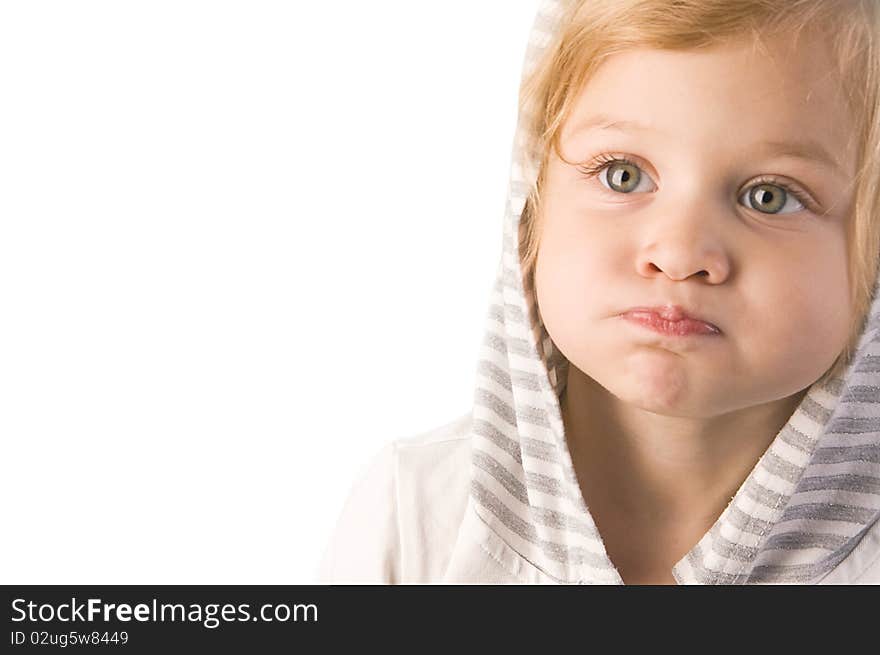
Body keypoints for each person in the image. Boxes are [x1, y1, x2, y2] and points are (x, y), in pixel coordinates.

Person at [317, 0, 880, 584]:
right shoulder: (416, 516)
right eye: (624, 175)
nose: (680, 254)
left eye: (770, 196)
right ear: (531, 208)